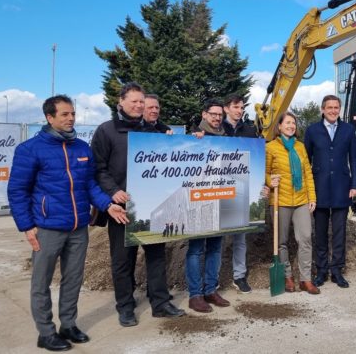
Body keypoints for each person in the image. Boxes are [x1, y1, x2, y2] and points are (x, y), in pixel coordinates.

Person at [8, 95, 129, 351]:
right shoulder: (30, 150)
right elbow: (18, 191)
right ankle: (46, 332)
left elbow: (90, 186)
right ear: (49, 118)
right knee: (41, 282)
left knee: (73, 279)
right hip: (47, 227)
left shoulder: (82, 149)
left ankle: (68, 325)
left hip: (78, 228)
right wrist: (27, 226)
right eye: (64, 114)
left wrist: (108, 204)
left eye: (72, 113)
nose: (71, 118)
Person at [91, 82, 184, 327]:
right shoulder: (106, 131)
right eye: (134, 101)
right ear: (120, 102)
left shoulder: (154, 132)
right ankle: (125, 306)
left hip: (153, 205)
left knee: (156, 256)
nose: (139, 105)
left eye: (141, 102)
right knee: (123, 260)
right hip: (122, 208)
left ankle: (160, 303)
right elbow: (98, 169)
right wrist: (114, 192)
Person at [303, 95, 356, 289]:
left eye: (336, 107)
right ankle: (321, 270)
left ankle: (337, 270)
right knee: (319, 233)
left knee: (339, 232)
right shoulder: (312, 131)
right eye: (330, 107)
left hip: (342, 188)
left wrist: (355, 185)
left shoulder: (348, 130)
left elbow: (354, 159)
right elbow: (306, 161)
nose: (333, 111)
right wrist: (307, 190)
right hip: (319, 188)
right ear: (322, 109)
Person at [184, 100, 233, 312]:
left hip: (219, 198)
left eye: (220, 115)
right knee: (195, 249)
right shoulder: (193, 136)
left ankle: (210, 289)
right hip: (198, 199)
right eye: (213, 114)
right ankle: (195, 295)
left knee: (215, 247)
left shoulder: (227, 138)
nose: (216, 118)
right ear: (204, 114)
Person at [266, 111, 320, 294]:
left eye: (293, 123)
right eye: (287, 123)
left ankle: (306, 279)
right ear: (279, 126)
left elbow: (307, 174)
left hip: (301, 199)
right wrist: (268, 180)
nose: (291, 126)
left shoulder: (300, 147)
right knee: (281, 241)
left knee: (305, 238)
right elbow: (263, 172)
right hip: (280, 200)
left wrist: (312, 197)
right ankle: (287, 277)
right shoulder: (271, 147)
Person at [221, 94, 258, 294]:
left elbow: (256, 157)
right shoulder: (218, 130)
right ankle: (213, 279)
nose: (239, 110)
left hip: (242, 188)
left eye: (241, 107)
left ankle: (239, 275)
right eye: (236, 107)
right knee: (217, 237)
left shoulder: (249, 131)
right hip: (219, 188)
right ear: (226, 108)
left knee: (240, 237)